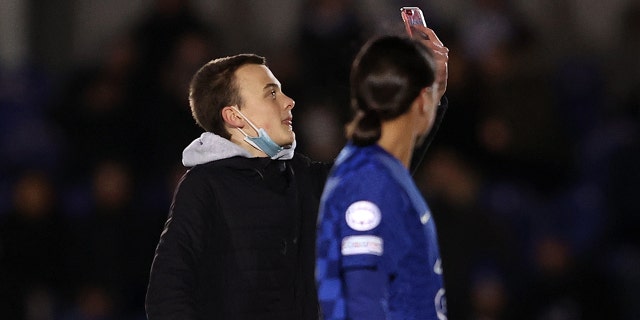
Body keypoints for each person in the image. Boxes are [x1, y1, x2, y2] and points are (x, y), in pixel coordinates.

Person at [145, 53, 331, 319]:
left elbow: (384, 167)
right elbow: (167, 296)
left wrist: (412, 82)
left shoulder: (303, 176)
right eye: (271, 94)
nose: (289, 102)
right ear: (234, 116)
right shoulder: (204, 186)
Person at [315, 26, 450, 320]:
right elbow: (361, 302)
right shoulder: (369, 181)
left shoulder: (378, 168)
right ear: (420, 101)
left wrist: (434, 85)